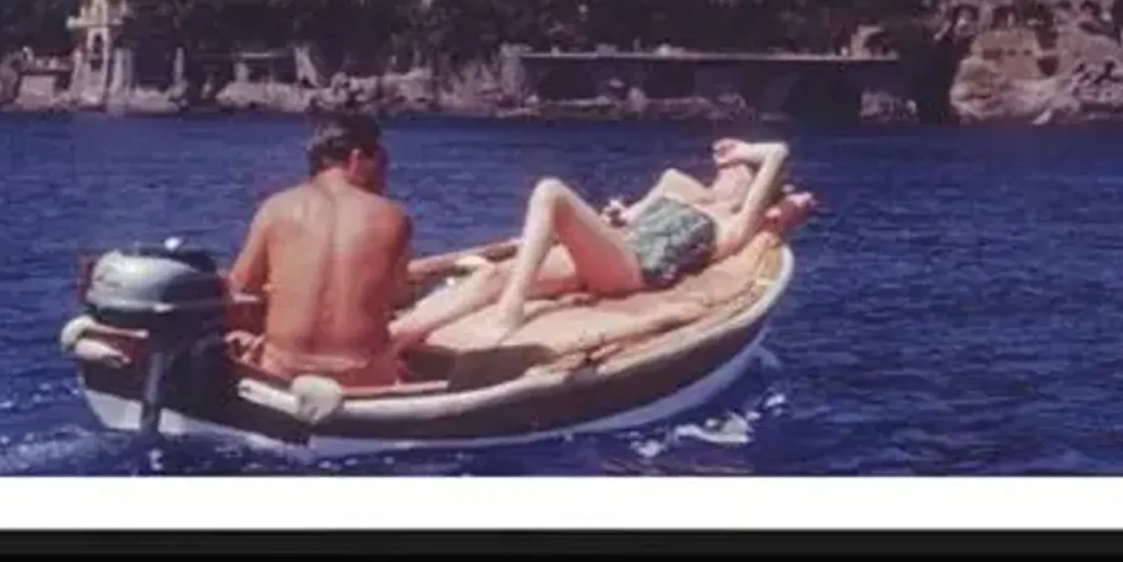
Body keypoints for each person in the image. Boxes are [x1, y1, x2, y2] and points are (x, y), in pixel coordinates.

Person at [390, 138, 813, 349]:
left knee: (551, 191)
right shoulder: (676, 186)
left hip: (631, 271)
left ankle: (510, 312)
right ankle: (392, 340)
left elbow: (778, 152)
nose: (729, 173)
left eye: (742, 172)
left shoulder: (732, 224)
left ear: (755, 187)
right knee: (494, 275)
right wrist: (615, 217)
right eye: (727, 169)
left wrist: (749, 150)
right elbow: (630, 217)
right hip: (610, 253)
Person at [226, 112, 416, 386]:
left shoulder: (276, 208)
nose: (385, 172)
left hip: (282, 372)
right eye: (382, 161)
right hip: (360, 377)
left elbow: (241, 290)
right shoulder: (394, 216)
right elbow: (400, 296)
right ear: (357, 158)